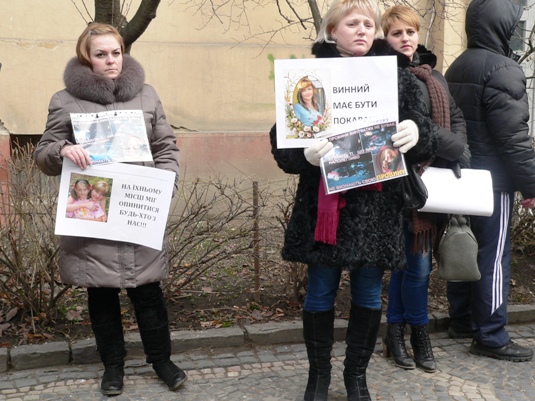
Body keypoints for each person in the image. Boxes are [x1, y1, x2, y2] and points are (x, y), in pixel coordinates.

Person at [270, 0, 440, 399]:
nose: (362, 29)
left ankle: (356, 377)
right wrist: (303, 152)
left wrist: (416, 132)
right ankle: (318, 377)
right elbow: (282, 141)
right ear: (332, 31)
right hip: (324, 205)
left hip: (375, 207)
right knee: (320, 291)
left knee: (367, 293)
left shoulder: (396, 77)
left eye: (368, 23)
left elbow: (427, 129)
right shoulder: (306, 78)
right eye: (352, 23)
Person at [34, 23, 185, 395]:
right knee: (101, 295)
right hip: (95, 216)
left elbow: (166, 147)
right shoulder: (65, 100)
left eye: (115, 52)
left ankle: (162, 361)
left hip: (138, 210)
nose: (110, 60)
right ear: (87, 57)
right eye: (100, 54)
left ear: (123, 52)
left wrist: (163, 186)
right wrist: (61, 151)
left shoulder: (147, 96)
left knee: (148, 292)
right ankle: (113, 368)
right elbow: (43, 152)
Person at [444, 0, 535, 362]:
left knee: (462, 245)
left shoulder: (456, 65)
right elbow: (514, 138)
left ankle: (462, 320)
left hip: (459, 177)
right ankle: (491, 335)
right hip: (493, 183)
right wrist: (531, 185)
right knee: (493, 257)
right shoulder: (505, 68)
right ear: (503, 28)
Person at [380, 5, 469, 373]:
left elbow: (457, 117)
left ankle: (395, 332)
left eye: (410, 32)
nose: (405, 39)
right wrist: (441, 143)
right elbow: (399, 137)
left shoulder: (435, 77)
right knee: (415, 267)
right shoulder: (382, 77)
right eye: (397, 33)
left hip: (436, 184)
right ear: (385, 38)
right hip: (400, 187)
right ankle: (417, 333)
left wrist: (460, 150)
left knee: (411, 267)